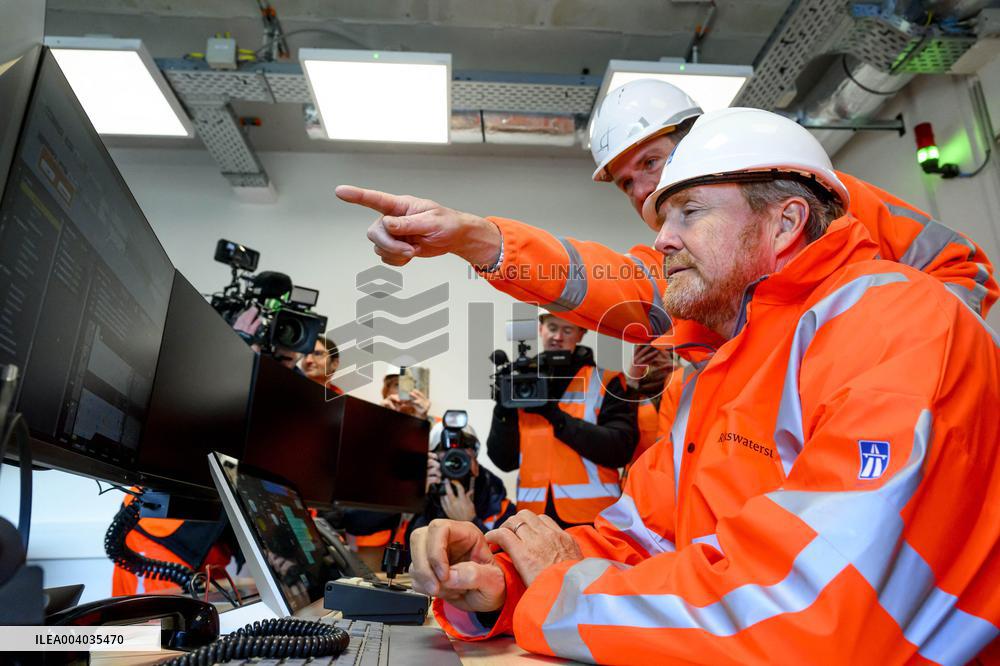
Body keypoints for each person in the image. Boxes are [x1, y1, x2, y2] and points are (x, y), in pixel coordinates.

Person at [337, 109, 1000, 663]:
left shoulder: (893, 324)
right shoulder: (716, 372)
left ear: (786, 223)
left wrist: (561, 591)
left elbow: (809, 615)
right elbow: (645, 537)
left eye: (686, 210)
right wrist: (502, 579)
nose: (659, 240)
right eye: (658, 214)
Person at [487, 314, 638, 527]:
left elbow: (619, 449)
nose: (557, 336)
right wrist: (503, 410)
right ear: (541, 328)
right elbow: (504, 460)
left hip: (592, 519)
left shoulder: (605, 382)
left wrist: (554, 416)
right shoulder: (522, 381)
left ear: (581, 332)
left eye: (567, 331)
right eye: (552, 327)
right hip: (533, 520)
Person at [405, 421, 516, 545]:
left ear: (476, 466)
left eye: (463, 458)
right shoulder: (414, 499)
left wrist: (471, 523)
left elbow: (506, 560)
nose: (455, 465)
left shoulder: (502, 509)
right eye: (448, 459)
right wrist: (416, 496)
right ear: (431, 462)